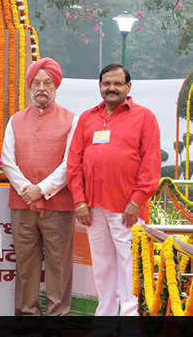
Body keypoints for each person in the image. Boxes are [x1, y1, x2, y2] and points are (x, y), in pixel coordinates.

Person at [67, 63, 161, 316]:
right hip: (92, 208)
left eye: (118, 83)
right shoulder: (88, 118)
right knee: (102, 267)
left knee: (129, 266)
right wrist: (79, 201)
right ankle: (105, 320)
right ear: (99, 87)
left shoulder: (144, 117)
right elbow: (74, 163)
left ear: (128, 87)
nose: (112, 88)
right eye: (107, 83)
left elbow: (150, 165)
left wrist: (136, 202)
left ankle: (130, 319)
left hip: (126, 208)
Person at [2, 57, 77, 317]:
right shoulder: (15, 120)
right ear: (29, 86)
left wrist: (42, 189)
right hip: (22, 205)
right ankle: (27, 318)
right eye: (36, 82)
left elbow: (71, 163)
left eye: (47, 82)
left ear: (55, 86)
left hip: (59, 205)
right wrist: (27, 189)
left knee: (59, 265)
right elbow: (7, 160)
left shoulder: (71, 120)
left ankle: (58, 317)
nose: (41, 87)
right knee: (26, 265)